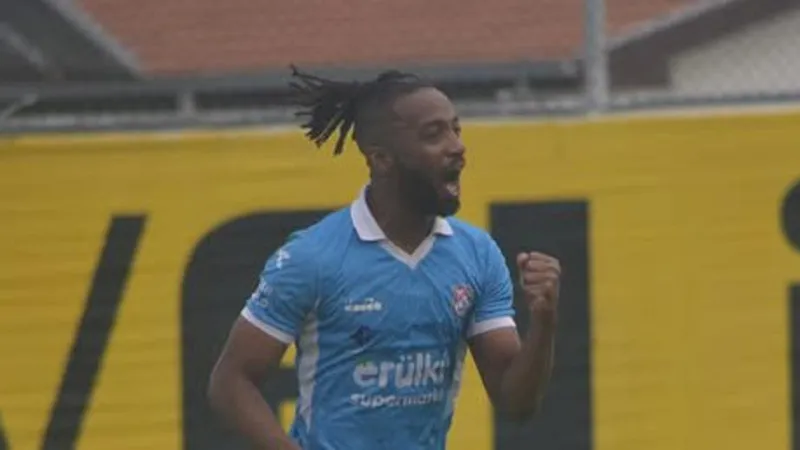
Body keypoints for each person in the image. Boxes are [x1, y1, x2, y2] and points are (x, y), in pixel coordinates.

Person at [207, 66, 562, 450]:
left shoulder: (477, 254)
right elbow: (231, 383)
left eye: (456, 129)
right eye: (434, 134)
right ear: (381, 158)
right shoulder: (311, 258)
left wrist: (544, 321)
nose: (457, 146)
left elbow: (515, 404)